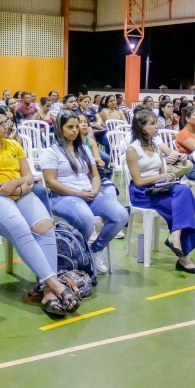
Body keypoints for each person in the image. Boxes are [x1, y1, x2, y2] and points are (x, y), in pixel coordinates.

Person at [0, 107, 81, 317]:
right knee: (20, 227)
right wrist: (11, 186)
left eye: (7, 121)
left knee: (45, 225)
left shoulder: (14, 145)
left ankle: (48, 292)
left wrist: (15, 185)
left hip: (20, 194)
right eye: (1, 123)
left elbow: (29, 178)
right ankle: (56, 284)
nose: (7, 126)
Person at [41, 111, 128, 274]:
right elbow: (51, 182)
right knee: (87, 218)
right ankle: (80, 257)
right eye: (70, 127)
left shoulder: (84, 149)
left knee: (121, 215)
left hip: (89, 195)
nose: (75, 130)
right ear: (60, 128)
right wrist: (78, 194)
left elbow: (94, 175)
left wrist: (95, 190)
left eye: (76, 127)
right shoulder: (51, 152)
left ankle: (94, 249)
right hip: (63, 197)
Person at [126, 110, 195, 273]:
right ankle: (183, 256)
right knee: (181, 207)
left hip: (158, 188)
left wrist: (167, 177)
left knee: (183, 191)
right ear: (141, 127)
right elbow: (138, 181)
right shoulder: (133, 149)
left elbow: (161, 170)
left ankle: (175, 236)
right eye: (152, 124)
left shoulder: (154, 146)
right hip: (142, 192)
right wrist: (160, 176)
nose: (157, 126)